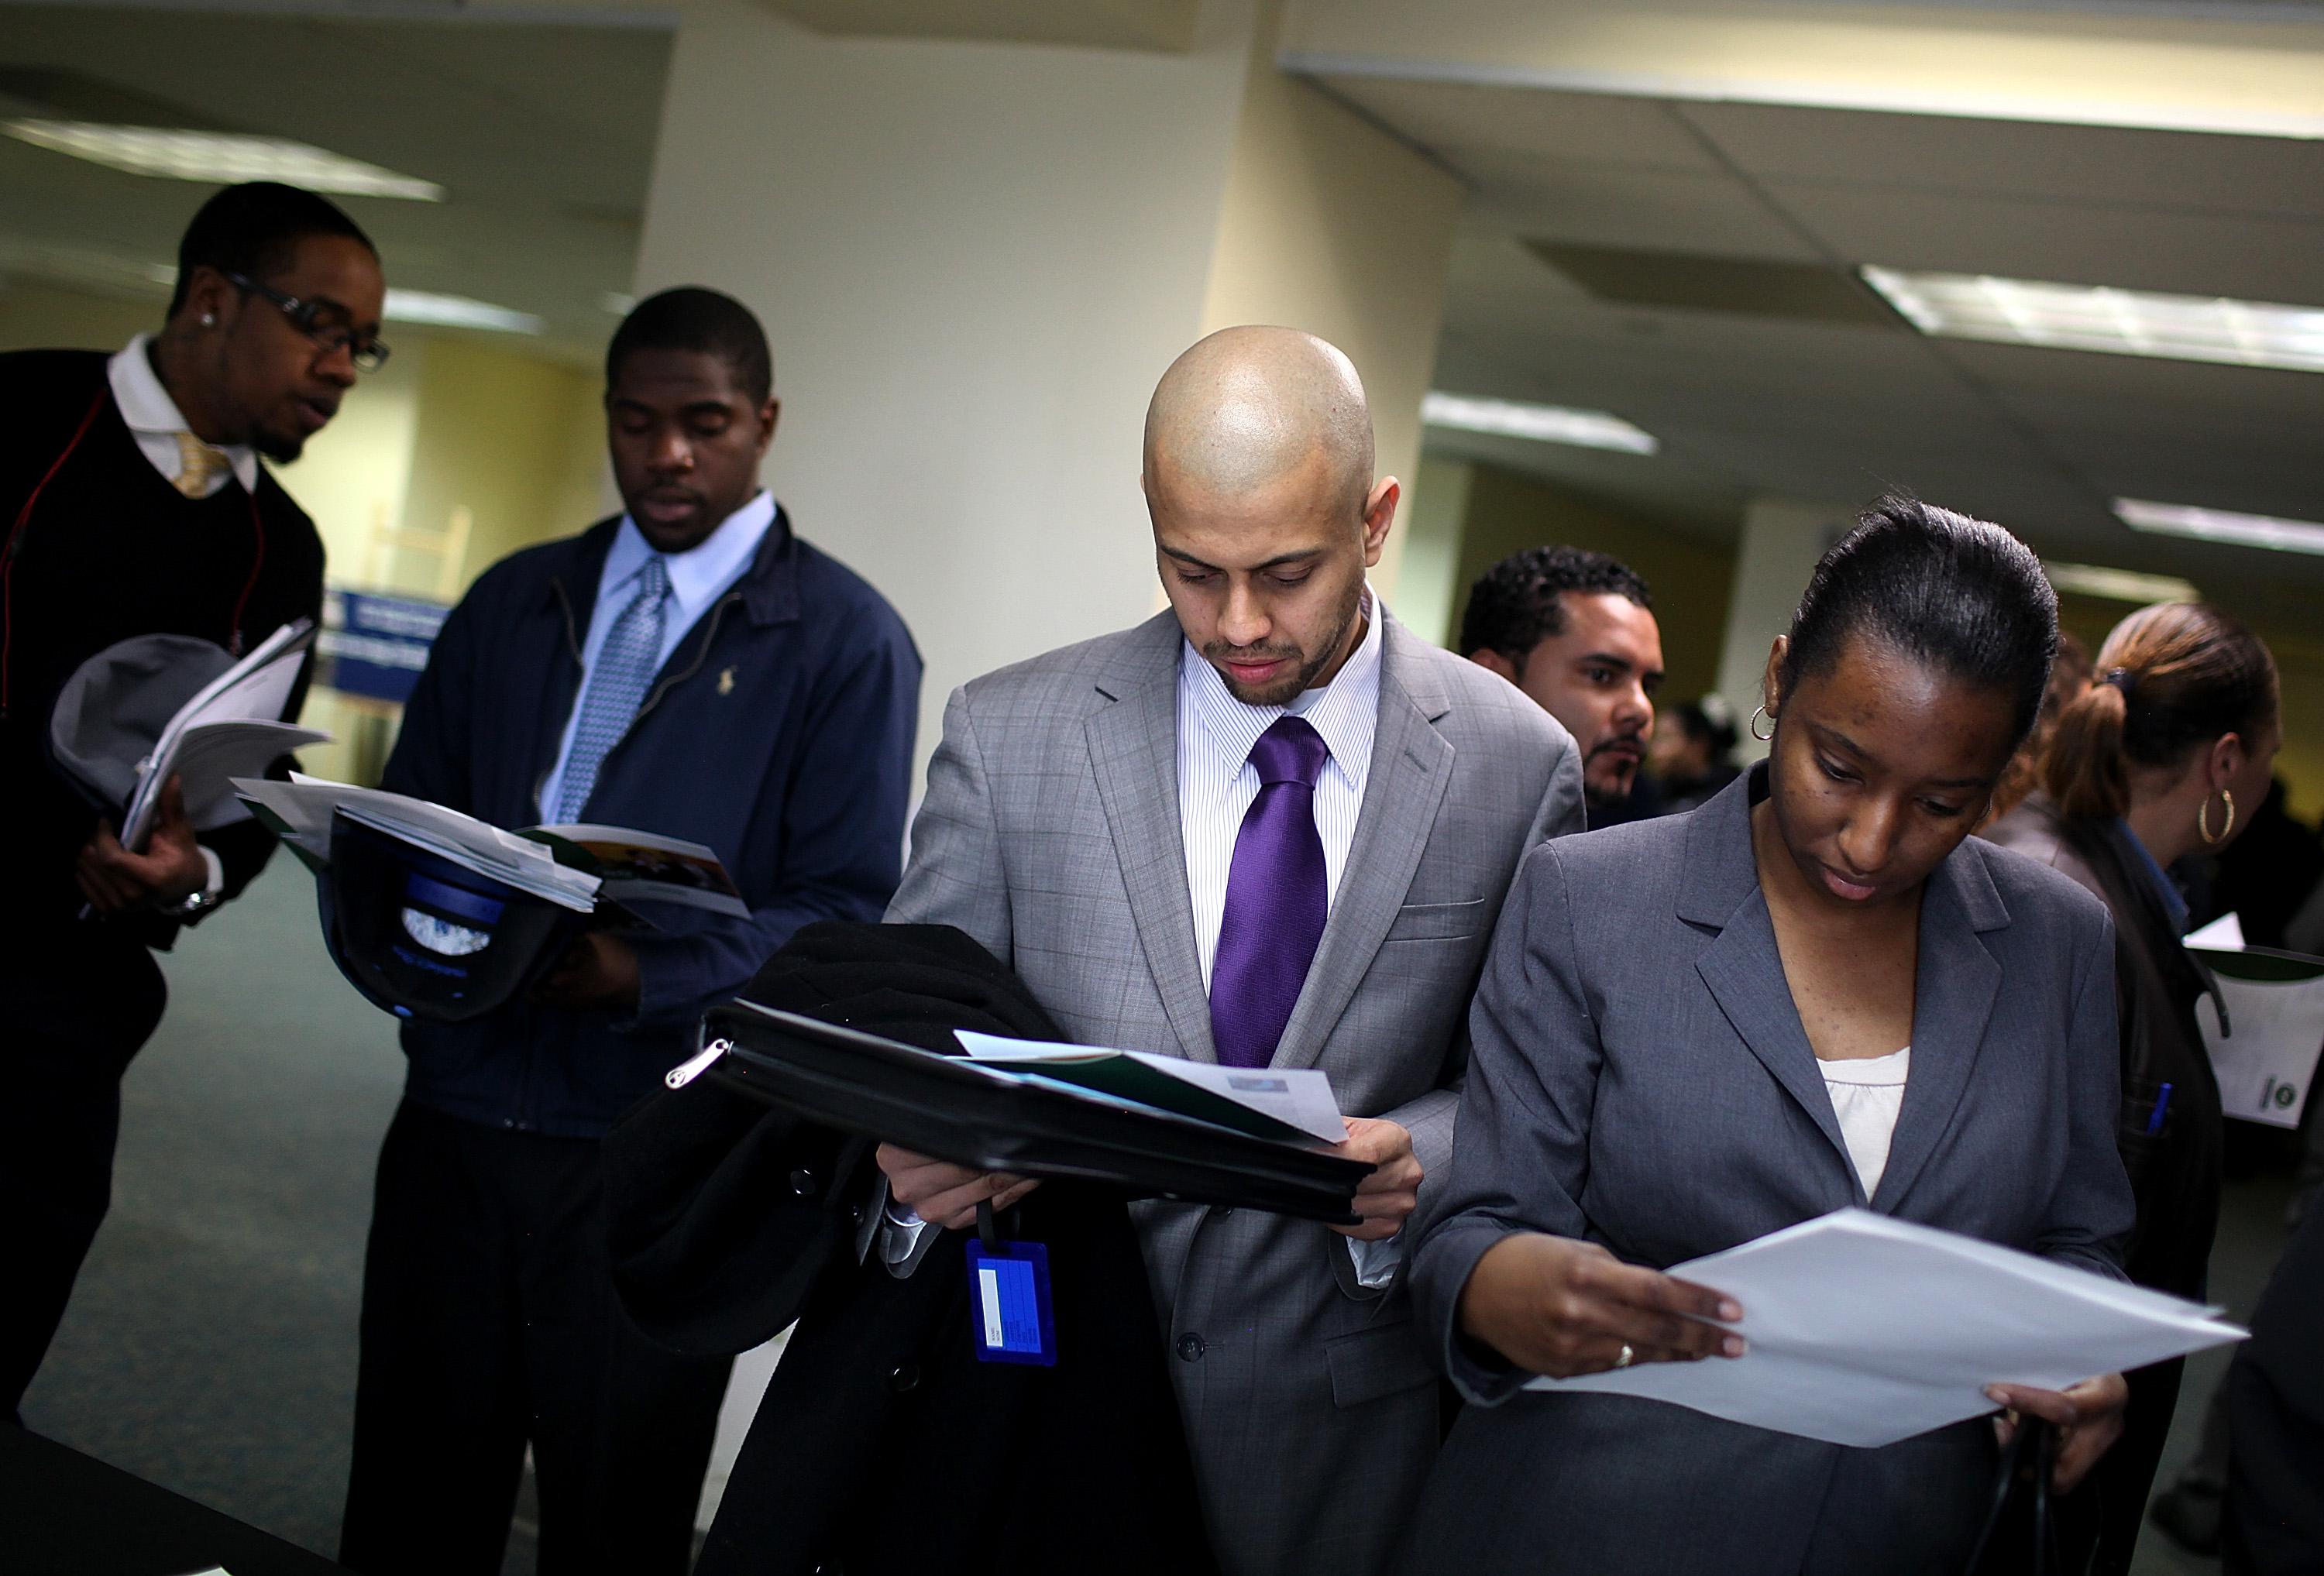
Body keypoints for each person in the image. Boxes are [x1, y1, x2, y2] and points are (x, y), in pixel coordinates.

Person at [875, 325, 1583, 1576]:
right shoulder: (1008, 735)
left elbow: (1528, 1091)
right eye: (1191, 570)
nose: (1240, 622)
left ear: (1376, 522)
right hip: (1043, 1399)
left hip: (1339, 1433)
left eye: (1288, 572)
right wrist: (917, 1146)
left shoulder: (1517, 768)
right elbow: (910, 1032)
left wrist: (1423, 1150)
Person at [1402, 497, 2136, 1576]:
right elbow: (1479, 1222)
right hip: (1593, 1522)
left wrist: (2089, 1361)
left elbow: (2082, 1240)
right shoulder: (1592, 899)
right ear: (1781, 678)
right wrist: (1500, 1285)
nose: (1874, 839)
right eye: (1838, 766)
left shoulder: (2059, 940)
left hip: (1909, 1531)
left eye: (1943, 802)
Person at [336, 287, 922, 1576]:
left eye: (705, 424)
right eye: (639, 421)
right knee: (410, 1496)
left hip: (654, 1153)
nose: (669, 454)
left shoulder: (845, 642)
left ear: (763, 423)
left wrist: (639, 972)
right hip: (457, 1117)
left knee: (615, 1523)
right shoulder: (514, 598)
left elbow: (839, 911)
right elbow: (411, 818)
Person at [0, 181, 379, 1422]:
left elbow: (251, 794)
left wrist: (195, 872)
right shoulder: (18, 422)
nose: (342, 366)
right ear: (212, 299)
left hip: (71, 1016)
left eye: (362, 344)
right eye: (323, 323)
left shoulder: (288, 547)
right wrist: (59, 837)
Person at [1983, 600, 2280, 1573]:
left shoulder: (2122, 897)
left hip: (2075, 1410)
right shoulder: (2060, 905)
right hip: (2019, 1427)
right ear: (2227, 762)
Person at [1459, 544, 1662, 824]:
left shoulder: (1646, 832)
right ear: (1492, 680)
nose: (1642, 710)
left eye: (1648, 687)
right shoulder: (1411, 807)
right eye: (1601, 675)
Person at [1646, 695, 1739, 815]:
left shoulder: (1732, 795)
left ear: (1699, 743)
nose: (1655, 749)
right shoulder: (1657, 792)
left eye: (1666, 738)